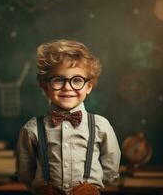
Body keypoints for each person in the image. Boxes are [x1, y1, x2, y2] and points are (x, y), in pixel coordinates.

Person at [16, 39, 121, 195]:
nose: (67, 87)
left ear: (89, 86)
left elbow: (111, 166)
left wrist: (93, 187)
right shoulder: (32, 129)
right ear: (45, 87)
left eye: (77, 80)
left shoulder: (101, 125)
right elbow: (25, 170)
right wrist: (41, 187)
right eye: (58, 80)